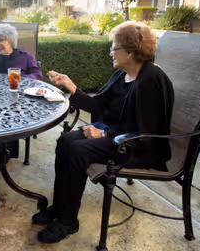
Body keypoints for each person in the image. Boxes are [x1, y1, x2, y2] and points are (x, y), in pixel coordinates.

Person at [33, 21, 174, 244]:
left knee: (78, 150)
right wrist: (70, 85)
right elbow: (97, 105)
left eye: (114, 48)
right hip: (114, 134)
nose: (110, 52)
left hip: (137, 146)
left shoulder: (152, 79)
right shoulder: (122, 75)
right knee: (65, 140)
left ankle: (68, 221)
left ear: (130, 52)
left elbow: (149, 132)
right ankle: (59, 207)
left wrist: (105, 135)